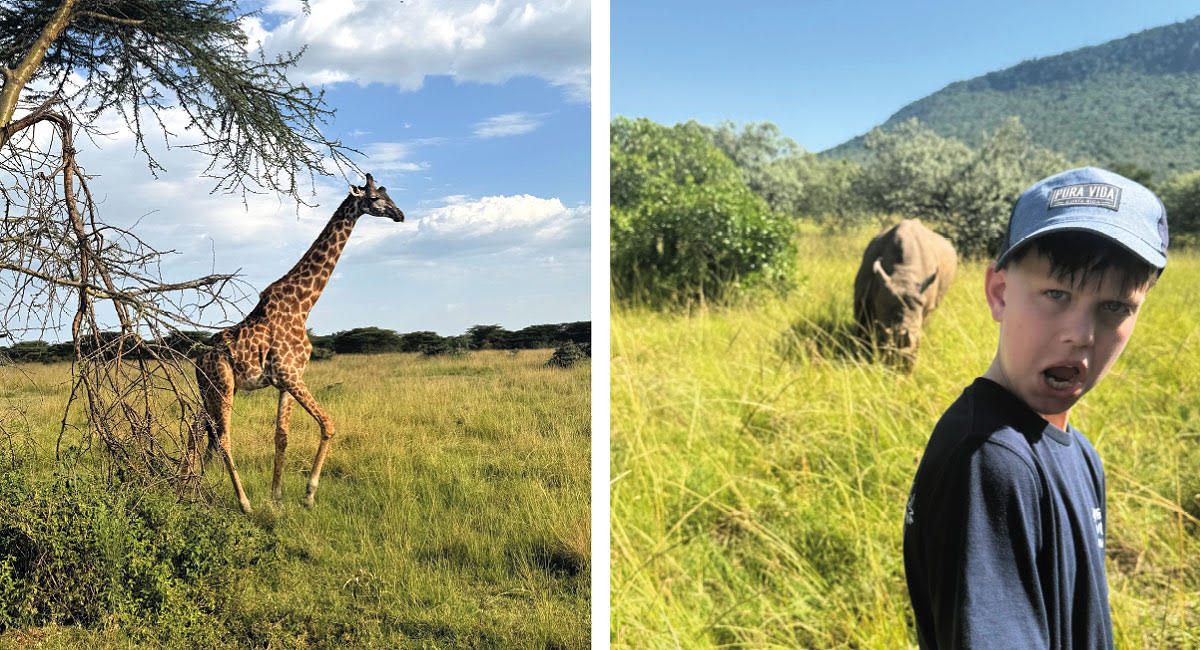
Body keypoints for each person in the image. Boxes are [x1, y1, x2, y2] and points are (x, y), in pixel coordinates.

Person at [902, 166, 1168, 649]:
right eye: (1056, 294)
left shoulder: (1078, 452)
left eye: (1115, 307)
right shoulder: (990, 461)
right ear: (999, 293)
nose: (1081, 333)